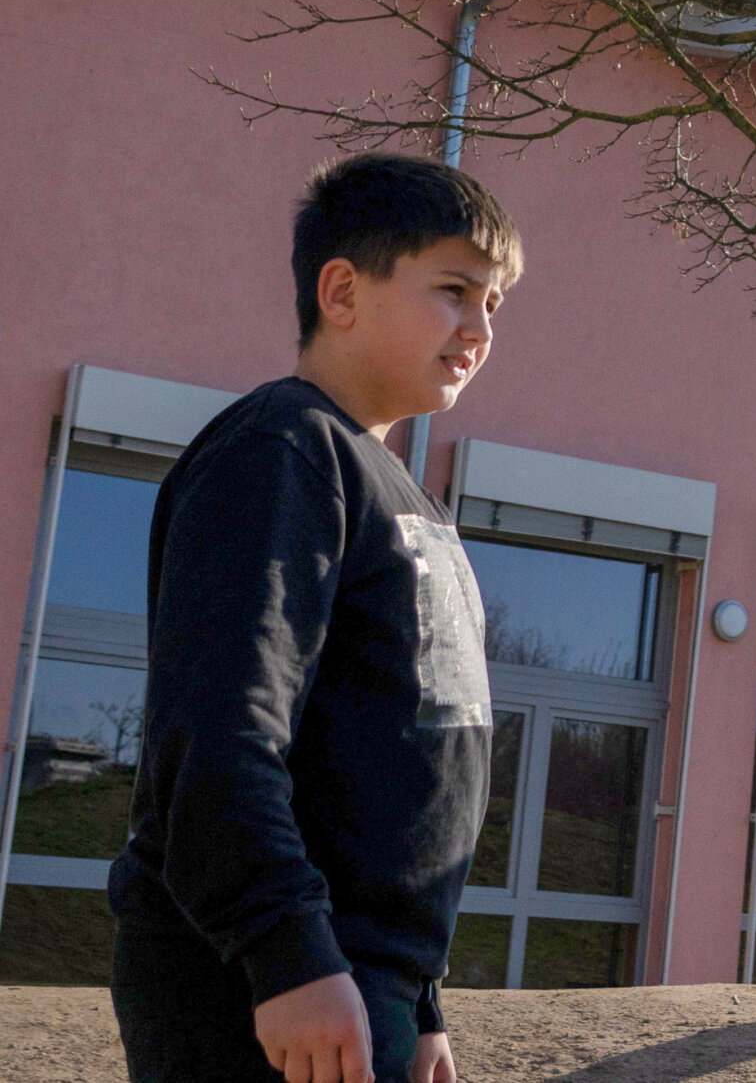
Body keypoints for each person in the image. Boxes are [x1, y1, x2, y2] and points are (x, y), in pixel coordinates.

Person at [110, 153, 521, 1083]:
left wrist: (419, 1002)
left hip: (359, 979)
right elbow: (218, 728)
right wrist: (285, 952)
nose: (481, 327)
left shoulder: (400, 492)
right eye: (455, 289)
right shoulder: (280, 452)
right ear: (341, 290)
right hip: (262, 987)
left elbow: (395, 765)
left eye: (495, 303)